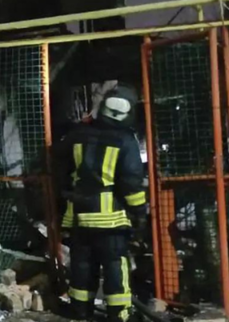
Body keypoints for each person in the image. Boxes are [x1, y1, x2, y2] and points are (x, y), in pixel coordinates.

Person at [56, 85, 148, 322]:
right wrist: (140, 213)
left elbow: (60, 169)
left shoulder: (78, 135)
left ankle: (80, 310)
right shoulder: (125, 141)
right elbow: (131, 183)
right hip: (111, 220)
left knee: (82, 265)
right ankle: (119, 314)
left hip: (80, 216)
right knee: (115, 266)